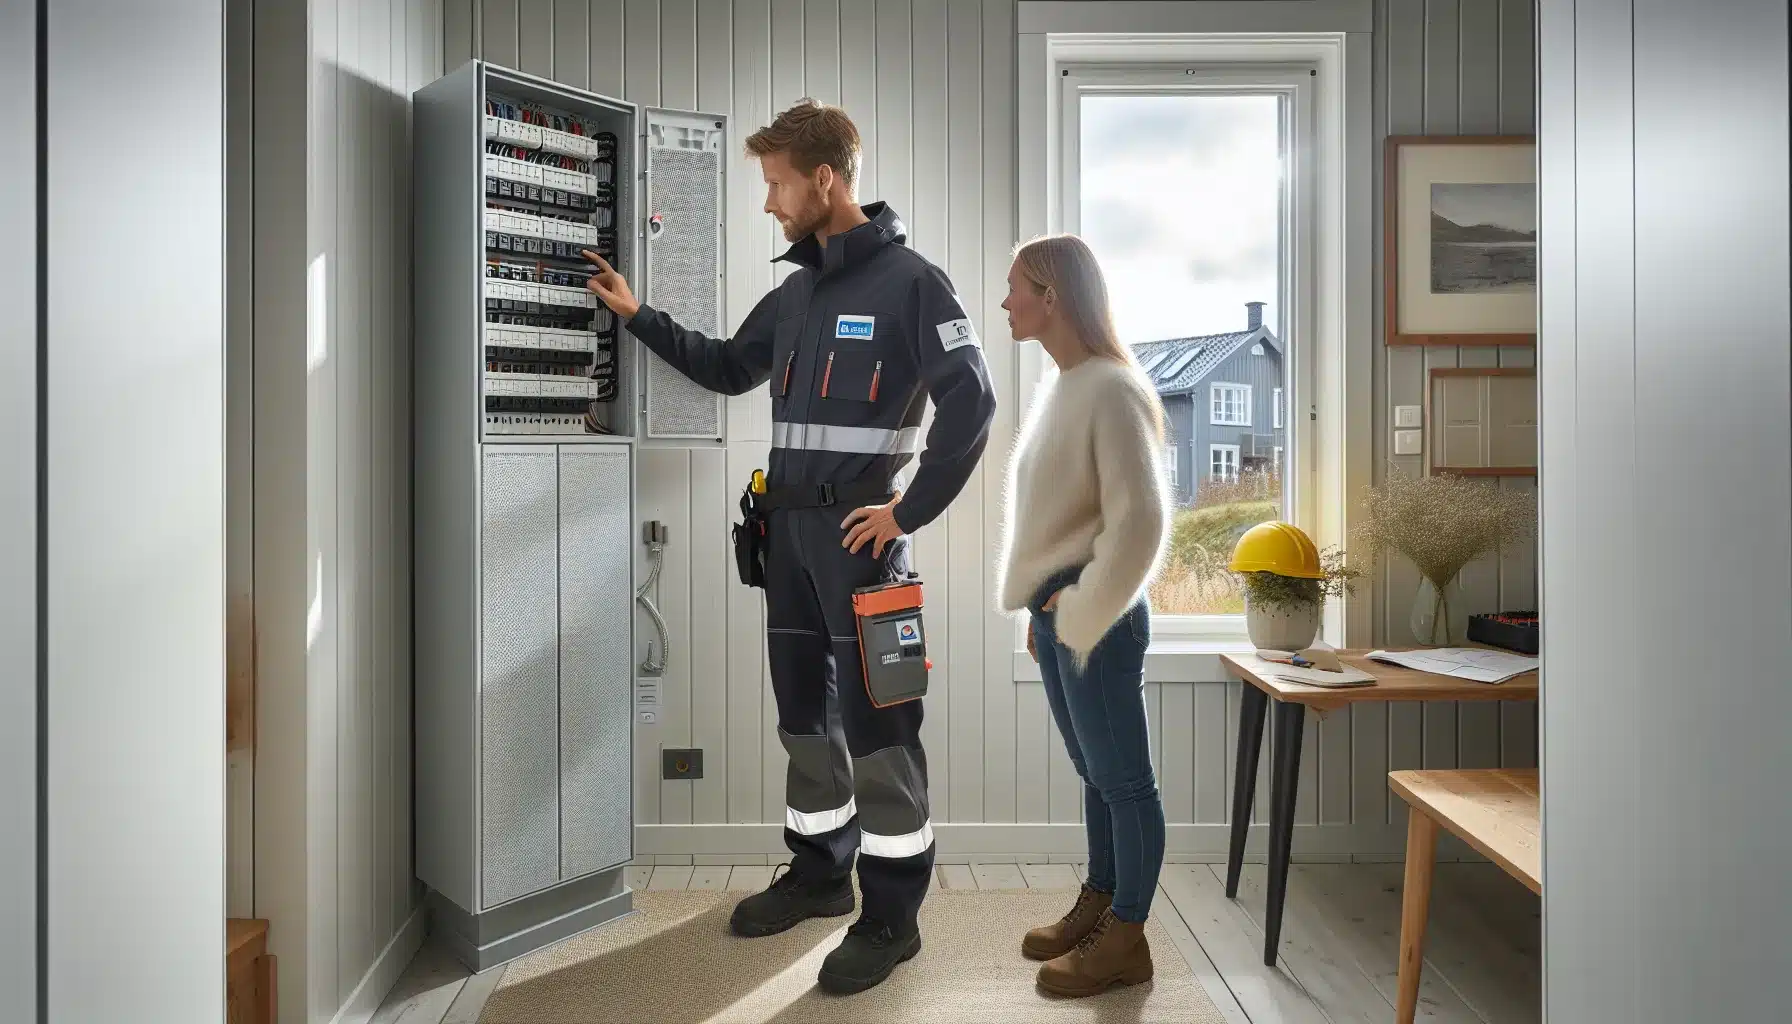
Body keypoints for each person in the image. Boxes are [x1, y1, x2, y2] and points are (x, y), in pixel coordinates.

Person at [581, 99, 996, 995]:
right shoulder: (798, 291)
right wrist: (637, 313)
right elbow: (731, 366)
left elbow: (974, 405)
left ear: (824, 180)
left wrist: (908, 513)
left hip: (862, 542)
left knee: (885, 733)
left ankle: (893, 914)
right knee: (803, 716)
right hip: (788, 543)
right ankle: (820, 874)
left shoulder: (915, 284)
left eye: (775, 184)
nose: (768, 203)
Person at [992, 234, 1171, 998]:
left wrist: (1084, 603)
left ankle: (1127, 935)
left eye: (1014, 288)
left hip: (1096, 616)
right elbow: (1057, 515)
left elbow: (1143, 520)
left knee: (1126, 783)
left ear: (1052, 296)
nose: (1005, 302)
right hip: (1061, 614)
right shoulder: (1065, 385)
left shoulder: (1110, 386)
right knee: (1096, 776)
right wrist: (1040, 612)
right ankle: (1099, 906)